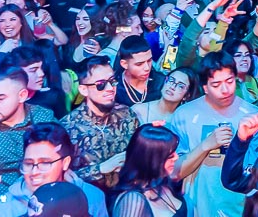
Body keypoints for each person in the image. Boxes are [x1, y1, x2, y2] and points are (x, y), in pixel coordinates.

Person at [168, 50, 258, 217]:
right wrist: (206, 145)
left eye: (229, 81)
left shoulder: (253, 116)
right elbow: (174, 172)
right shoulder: (184, 115)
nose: (225, 90)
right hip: (197, 207)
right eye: (216, 85)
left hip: (240, 207)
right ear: (205, 87)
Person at [0, 66, 57, 217]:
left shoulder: (44, 118)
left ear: (22, 96)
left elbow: (61, 165)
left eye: (1, 98)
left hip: (46, 208)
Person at [0, 122, 108, 217]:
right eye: (28, 163)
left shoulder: (93, 197)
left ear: (65, 163)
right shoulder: (0, 211)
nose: (34, 172)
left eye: (44, 163)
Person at [61, 55, 141, 190]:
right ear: (83, 89)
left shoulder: (127, 114)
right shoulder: (68, 127)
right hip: (87, 198)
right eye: (100, 85)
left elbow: (140, 156)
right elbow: (61, 177)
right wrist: (100, 169)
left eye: (112, 81)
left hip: (128, 192)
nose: (110, 88)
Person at [111, 124, 187, 217]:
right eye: (170, 156)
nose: (176, 157)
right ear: (151, 160)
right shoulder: (133, 200)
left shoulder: (163, 183)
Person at [114, 35, 165, 108]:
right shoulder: (115, 88)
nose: (147, 68)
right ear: (124, 64)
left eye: (149, 61)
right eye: (139, 64)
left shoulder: (161, 82)